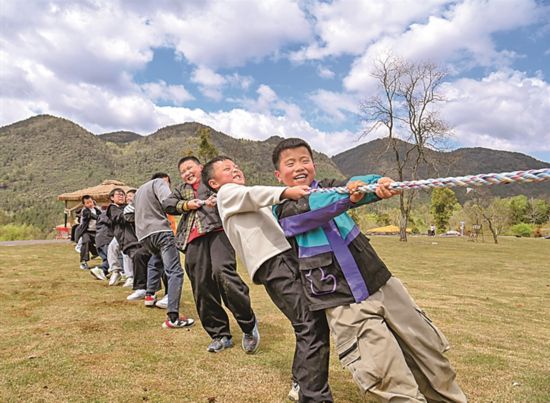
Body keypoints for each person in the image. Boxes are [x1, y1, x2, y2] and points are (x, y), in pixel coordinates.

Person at [271, 138, 466, 403]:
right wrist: (351, 195)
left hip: (382, 283)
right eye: (290, 163)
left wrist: (377, 183)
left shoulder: (330, 186)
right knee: (385, 375)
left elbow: (354, 184)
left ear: (314, 165)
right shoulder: (283, 209)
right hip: (342, 301)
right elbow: (316, 207)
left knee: (430, 356)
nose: (299, 167)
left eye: (305, 160)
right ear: (278, 175)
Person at [202, 156, 333, 402]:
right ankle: (309, 390)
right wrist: (286, 191)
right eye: (227, 169)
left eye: (236, 166)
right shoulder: (227, 193)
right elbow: (254, 194)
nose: (235, 170)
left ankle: (303, 382)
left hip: (281, 259)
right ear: (214, 183)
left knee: (310, 322)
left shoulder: (242, 198)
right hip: (274, 261)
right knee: (309, 323)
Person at [163, 156, 259, 354]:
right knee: (201, 285)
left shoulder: (212, 182)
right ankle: (219, 334)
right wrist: (187, 205)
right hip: (192, 239)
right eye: (183, 171)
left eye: (190, 168)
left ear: (201, 167)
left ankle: (248, 324)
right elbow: (168, 204)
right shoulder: (181, 189)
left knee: (222, 272)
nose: (187, 173)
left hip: (218, 232)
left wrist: (219, 198)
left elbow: (233, 189)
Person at [132, 173, 194, 329]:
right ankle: (173, 317)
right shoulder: (159, 183)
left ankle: (149, 295)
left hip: (144, 236)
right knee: (175, 272)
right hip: (161, 232)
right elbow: (168, 202)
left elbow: (128, 213)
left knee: (155, 261)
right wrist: (188, 205)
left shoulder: (139, 191)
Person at [74, 195, 101, 270]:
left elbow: (101, 215)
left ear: (93, 201)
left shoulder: (97, 210)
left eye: (91, 202)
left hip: (96, 231)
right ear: (84, 204)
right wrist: (100, 218)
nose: (90, 204)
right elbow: (93, 216)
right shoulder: (85, 211)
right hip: (86, 231)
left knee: (101, 243)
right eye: (87, 203)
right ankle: (83, 262)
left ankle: (98, 255)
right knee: (86, 242)